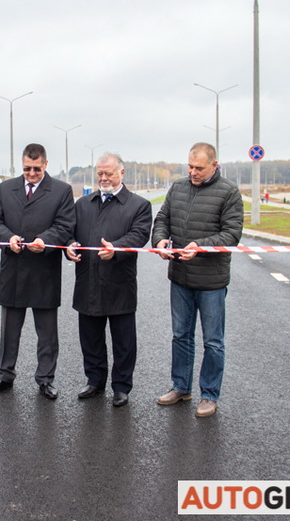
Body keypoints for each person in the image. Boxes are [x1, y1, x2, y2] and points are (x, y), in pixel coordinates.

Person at [151, 142, 243, 418]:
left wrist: (199, 245)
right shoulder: (178, 188)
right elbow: (162, 218)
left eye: (199, 168)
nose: (193, 172)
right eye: (190, 166)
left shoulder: (229, 193)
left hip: (211, 282)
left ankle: (209, 395)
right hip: (180, 277)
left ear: (214, 165)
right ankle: (181, 387)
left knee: (213, 341)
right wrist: (160, 239)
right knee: (181, 336)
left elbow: (231, 235)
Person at [0, 143, 76, 400]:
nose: (31, 173)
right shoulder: (6, 189)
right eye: (26, 168)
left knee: (47, 332)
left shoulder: (61, 191)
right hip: (13, 269)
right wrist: (7, 238)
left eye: (36, 168)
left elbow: (65, 225)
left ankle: (45, 379)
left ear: (46, 164)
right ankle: (4, 374)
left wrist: (45, 240)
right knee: (9, 329)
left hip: (43, 270)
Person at [65, 153, 152, 407]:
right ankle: (94, 380)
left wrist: (117, 248)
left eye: (109, 174)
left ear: (122, 174)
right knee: (90, 338)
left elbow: (139, 235)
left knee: (124, 341)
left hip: (119, 284)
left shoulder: (138, 205)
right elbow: (69, 233)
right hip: (88, 282)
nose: (103, 178)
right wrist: (68, 247)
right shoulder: (82, 204)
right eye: (100, 173)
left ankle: (122, 387)